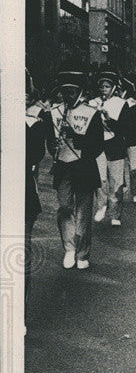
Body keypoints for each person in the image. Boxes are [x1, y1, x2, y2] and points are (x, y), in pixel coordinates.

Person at [47, 69, 105, 269]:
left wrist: (76, 138)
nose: (67, 96)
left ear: (80, 92)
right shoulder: (54, 112)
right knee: (64, 207)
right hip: (62, 166)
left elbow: (98, 145)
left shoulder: (91, 112)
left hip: (83, 166)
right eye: (64, 92)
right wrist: (53, 146)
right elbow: (49, 140)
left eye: (71, 92)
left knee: (83, 211)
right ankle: (69, 248)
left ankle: (82, 253)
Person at [25, 74, 52, 312]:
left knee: (20, 252)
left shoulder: (33, 123)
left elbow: (34, 156)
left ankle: (18, 314)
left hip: (23, 194)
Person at [93, 68, 131, 227]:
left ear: (114, 88)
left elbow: (125, 128)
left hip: (116, 147)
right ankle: (101, 206)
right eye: (101, 87)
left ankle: (115, 213)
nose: (103, 90)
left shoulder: (122, 104)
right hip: (98, 146)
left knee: (116, 182)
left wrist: (109, 120)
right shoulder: (92, 103)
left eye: (107, 87)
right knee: (100, 179)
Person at [120, 76, 136, 203]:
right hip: (120, 139)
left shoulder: (132, 104)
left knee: (133, 165)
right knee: (120, 165)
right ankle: (122, 188)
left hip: (132, 138)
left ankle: (135, 191)